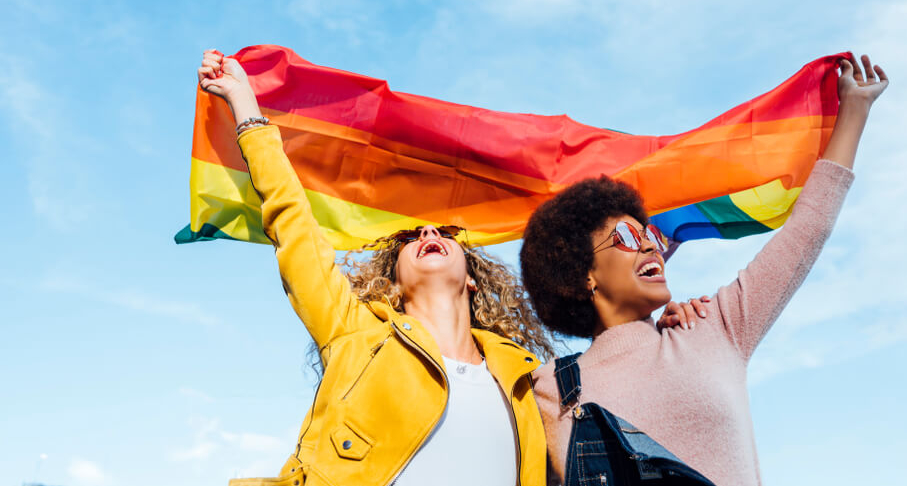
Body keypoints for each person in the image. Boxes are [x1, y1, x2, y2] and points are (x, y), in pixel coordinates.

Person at [196, 49, 707, 486]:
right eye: (411, 237)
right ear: (392, 280)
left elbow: (621, 375)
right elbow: (293, 223)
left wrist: (660, 328)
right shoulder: (354, 332)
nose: (428, 233)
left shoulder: (530, 380)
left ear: (471, 275)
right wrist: (246, 108)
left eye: (443, 232)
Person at [521, 55, 888, 486]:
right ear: (582, 274)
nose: (649, 245)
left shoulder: (715, 329)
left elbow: (807, 230)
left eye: (652, 237)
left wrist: (855, 110)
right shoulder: (548, 389)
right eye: (625, 236)